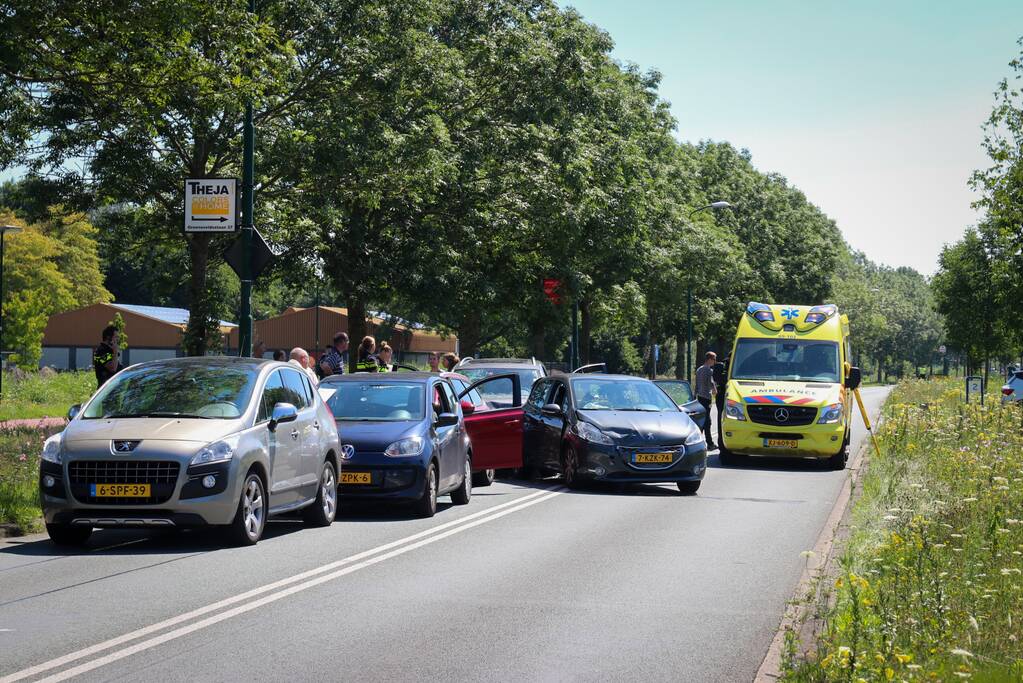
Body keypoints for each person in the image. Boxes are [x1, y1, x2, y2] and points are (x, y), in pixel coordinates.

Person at [695, 351, 717, 450]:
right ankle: (710, 443)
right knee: (707, 421)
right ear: (709, 359)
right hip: (706, 398)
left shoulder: (699, 370)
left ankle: (698, 441)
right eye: (714, 359)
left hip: (699, 397)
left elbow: (696, 385)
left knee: (702, 420)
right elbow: (711, 384)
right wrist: (715, 390)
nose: (715, 362)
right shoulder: (709, 370)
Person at [712, 355, 729, 449]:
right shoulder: (724, 368)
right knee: (721, 419)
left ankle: (721, 442)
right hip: (722, 396)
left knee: (720, 419)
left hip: (721, 396)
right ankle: (721, 443)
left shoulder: (722, 367)